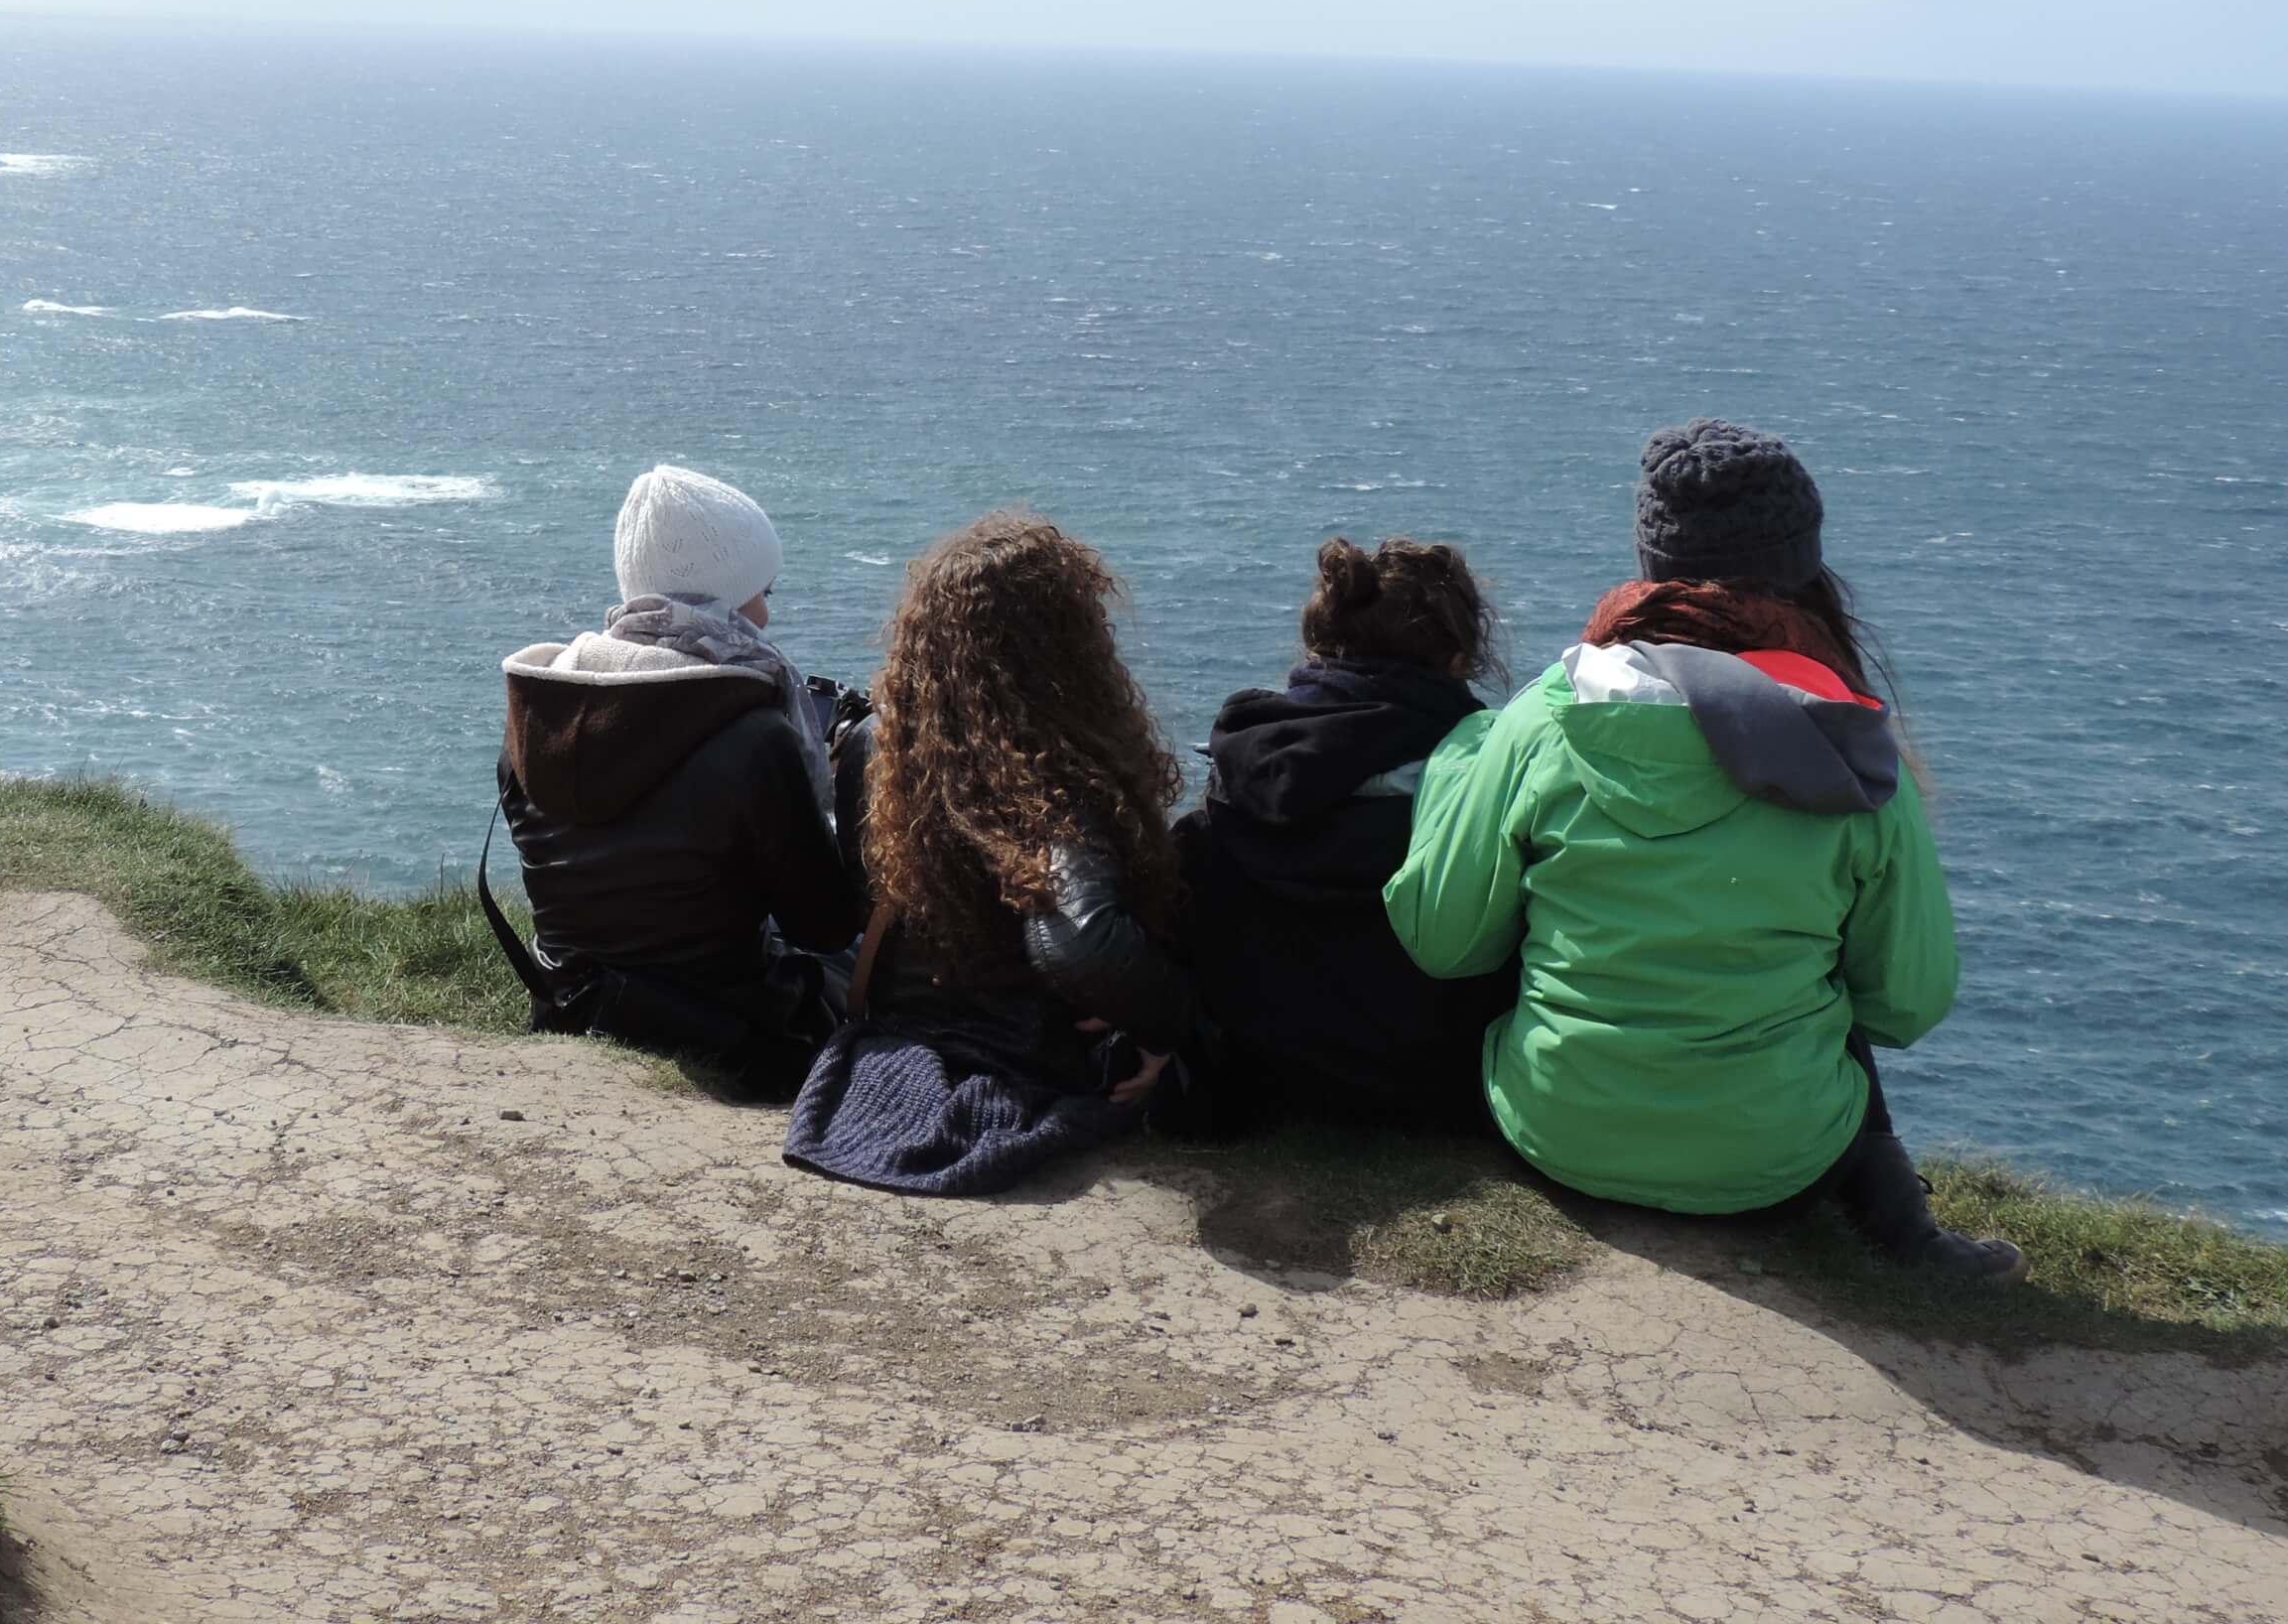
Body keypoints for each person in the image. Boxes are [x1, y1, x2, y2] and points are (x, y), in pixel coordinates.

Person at [1385, 419, 2024, 1282]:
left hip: (1557, 1134)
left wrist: (1466, 752)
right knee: (1820, 985)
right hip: (1776, 1164)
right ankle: (1903, 1233)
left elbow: (1445, 940)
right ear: (1804, 563)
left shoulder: (1545, 714)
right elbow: (1906, 1003)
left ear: (1651, 561)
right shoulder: (1850, 754)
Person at [785, 513, 1213, 1195]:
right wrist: (1169, 1024)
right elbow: (1082, 944)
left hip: (904, 1036)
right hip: (1037, 1055)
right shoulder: (1060, 770)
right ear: (1067, 642)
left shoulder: (874, 744)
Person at [493, 465, 864, 1095]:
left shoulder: (536, 720)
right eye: (761, 591)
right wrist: (849, 796)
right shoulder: (754, 735)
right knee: (879, 950)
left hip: (576, 1006)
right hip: (732, 1030)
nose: (766, 617)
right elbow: (824, 925)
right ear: (723, 596)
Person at [1171, 537, 1511, 1132]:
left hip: (1261, 1086)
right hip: (1441, 1090)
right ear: (1459, 662)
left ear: (1319, 648)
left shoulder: (1237, 781)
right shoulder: (1485, 798)